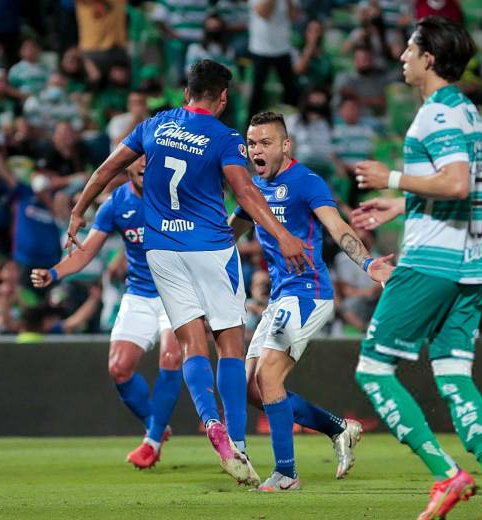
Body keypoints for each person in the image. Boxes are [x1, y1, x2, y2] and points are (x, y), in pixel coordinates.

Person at [64, 59, 310, 486]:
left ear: (185, 93)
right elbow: (246, 191)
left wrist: (79, 209)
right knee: (229, 346)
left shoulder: (153, 126)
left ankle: (210, 423)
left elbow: (106, 169)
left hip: (161, 252)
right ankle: (236, 441)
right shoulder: (223, 137)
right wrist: (282, 235)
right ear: (223, 98)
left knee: (191, 345)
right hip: (211, 249)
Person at [350, 17, 482, 519]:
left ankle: (447, 475)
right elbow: (463, 186)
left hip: (432, 261)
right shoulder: (466, 110)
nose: (403, 57)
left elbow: (456, 185)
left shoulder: (437, 115)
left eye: (410, 49)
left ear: (429, 58)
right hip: (471, 263)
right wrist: (400, 201)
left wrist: (392, 176)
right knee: (453, 376)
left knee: (373, 369)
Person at [229, 111, 392, 491]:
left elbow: (337, 227)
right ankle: (339, 429)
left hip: (309, 293)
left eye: (266, 142)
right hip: (279, 297)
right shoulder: (252, 190)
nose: (257, 149)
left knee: (268, 375)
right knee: (253, 388)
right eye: (252, 143)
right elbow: (226, 236)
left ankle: (286, 473)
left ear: (286, 145)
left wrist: (368, 264)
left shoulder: (306, 181)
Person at [31, 156, 182, 470]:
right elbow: (86, 250)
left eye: (148, 157)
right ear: (126, 165)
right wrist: (55, 273)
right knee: (119, 368)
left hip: (178, 293)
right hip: (139, 293)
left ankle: (151, 442)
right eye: (136, 157)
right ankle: (156, 423)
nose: (142, 164)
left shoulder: (178, 195)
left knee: (171, 358)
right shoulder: (116, 204)